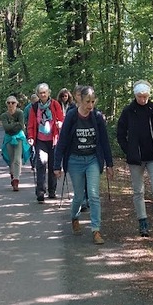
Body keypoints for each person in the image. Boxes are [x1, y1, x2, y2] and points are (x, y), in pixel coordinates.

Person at [55, 86, 113, 245]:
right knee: (79, 196)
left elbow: (104, 141)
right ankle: (74, 217)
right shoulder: (72, 116)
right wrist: (57, 165)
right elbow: (62, 141)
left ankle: (96, 230)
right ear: (80, 99)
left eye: (93, 102)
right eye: (88, 101)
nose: (90, 105)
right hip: (75, 161)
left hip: (92, 159)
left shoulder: (97, 117)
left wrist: (109, 164)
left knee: (94, 195)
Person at [116, 81, 153, 241]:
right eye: (140, 96)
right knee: (138, 191)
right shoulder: (128, 111)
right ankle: (143, 223)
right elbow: (120, 133)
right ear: (135, 95)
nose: (143, 99)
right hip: (136, 158)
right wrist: (128, 150)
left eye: (145, 96)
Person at [27, 83, 65, 202]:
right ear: (37, 94)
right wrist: (31, 137)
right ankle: (40, 192)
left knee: (53, 165)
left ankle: (52, 191)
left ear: (48, 93)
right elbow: (31, 124)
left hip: (53, 139)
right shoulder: (34, 107)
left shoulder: (55, 104)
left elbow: (61, 119)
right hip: (40, 140)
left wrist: (60, 124)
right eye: (41, 93)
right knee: (41, 163)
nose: (43, 95)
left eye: (45, 92)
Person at [0, 95, 30, 190]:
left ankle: (16, 179)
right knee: (11, 159)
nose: (11, 104)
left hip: (19, 137)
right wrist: (15, 124)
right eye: (8, 103)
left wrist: (12, 125)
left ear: (16, 104)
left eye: (13, 103)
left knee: (17, 159)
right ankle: (12, 175)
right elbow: (6, 128)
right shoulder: (4, 115)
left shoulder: (20, 113)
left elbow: (21, 126)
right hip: (8, 138)